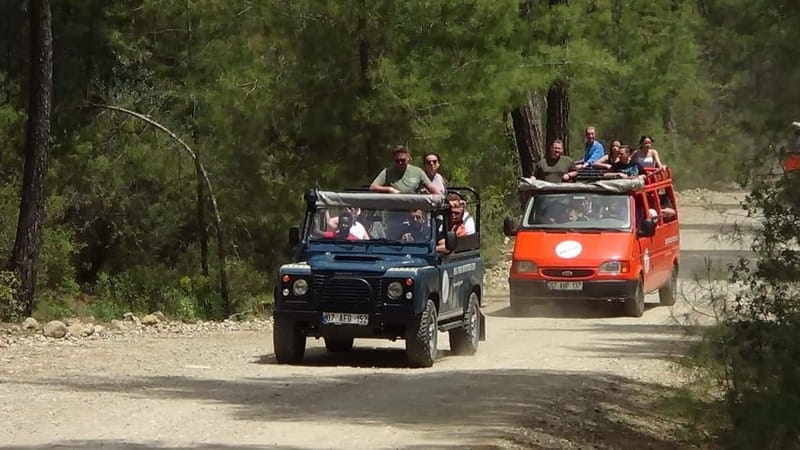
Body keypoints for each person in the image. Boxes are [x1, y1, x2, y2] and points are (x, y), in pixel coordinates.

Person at [370, 145, 443, 194]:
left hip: (414, 212)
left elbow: (432, 189)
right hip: (394, 212)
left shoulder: (418, 171)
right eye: (397, 161)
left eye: (403, 160)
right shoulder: (387, 171)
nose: (400, 162)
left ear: (408, 158)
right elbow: (373, 187)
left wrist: (440, 196)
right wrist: (389, 189)